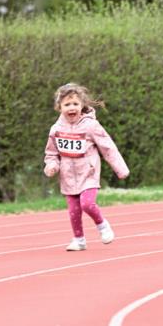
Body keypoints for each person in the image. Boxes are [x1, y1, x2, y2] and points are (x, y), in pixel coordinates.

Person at [43, 82, 129, 251]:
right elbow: (51, 153)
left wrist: (121, 169)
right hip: (68, 177)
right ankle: (79, 240)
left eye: (75, 104)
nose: (71, 108)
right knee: (73, 211)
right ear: (59, 107)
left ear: (82, 105)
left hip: (88, 173)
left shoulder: (91, 126)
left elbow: (108, 147)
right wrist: (51, 166)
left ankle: (102, 225)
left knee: (87, 204)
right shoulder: (55, 130)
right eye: (67, 104)